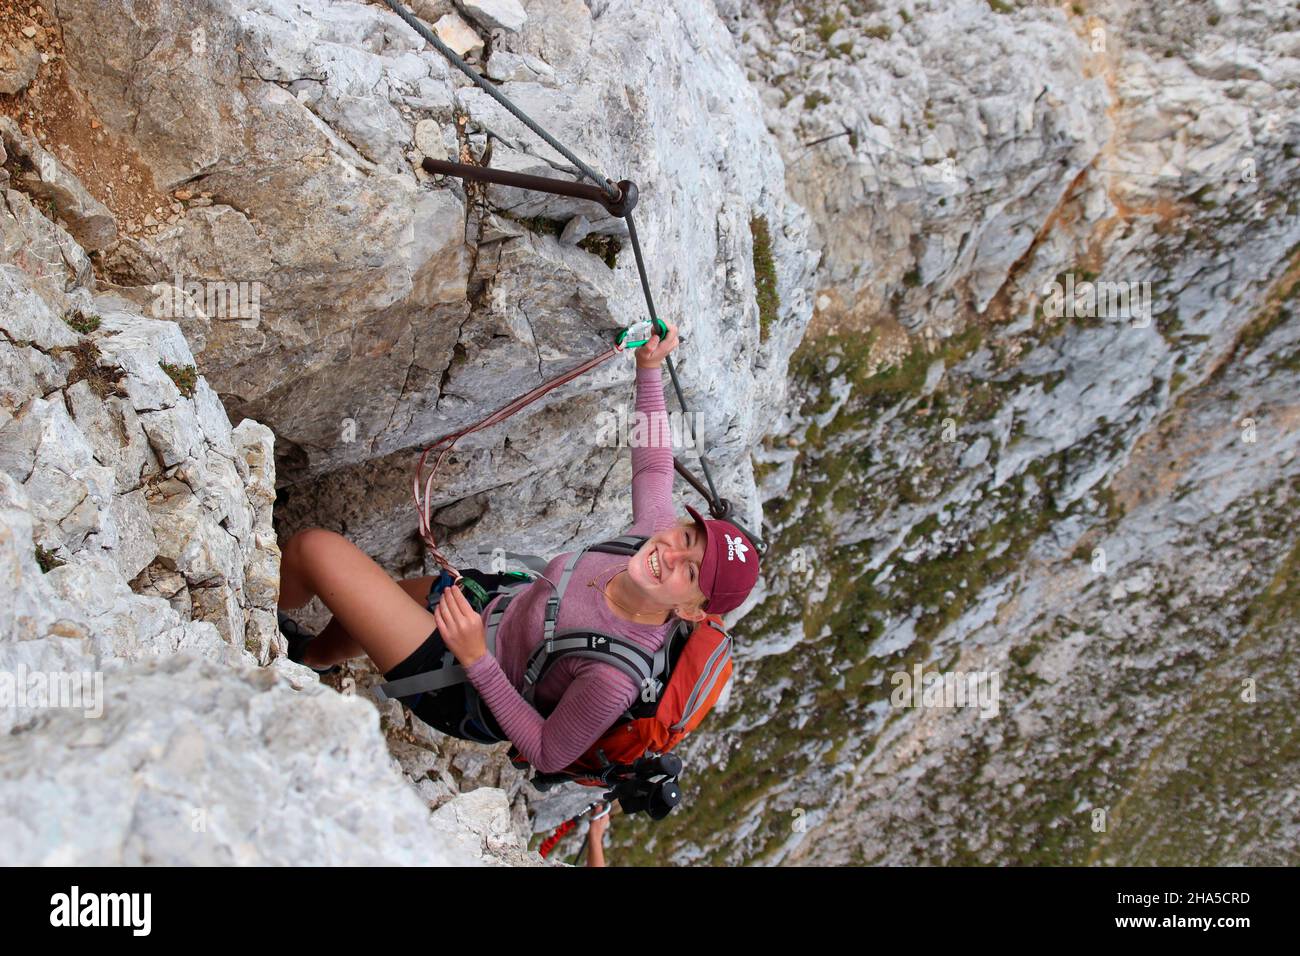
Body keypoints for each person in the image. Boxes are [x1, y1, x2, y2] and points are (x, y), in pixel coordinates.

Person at [276, 322, 761, 774]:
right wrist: (649, 369)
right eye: (687, 537)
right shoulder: (651, 539)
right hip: (489, 602)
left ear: (692, 611)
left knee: (314, 551)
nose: (671, 554)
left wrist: (476, 659)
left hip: (463, 682)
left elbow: (549, 753)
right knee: (357, 613)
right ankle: (313, 657)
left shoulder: (615, 675)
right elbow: (654, 468)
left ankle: (258, 604)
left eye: (691, 574)